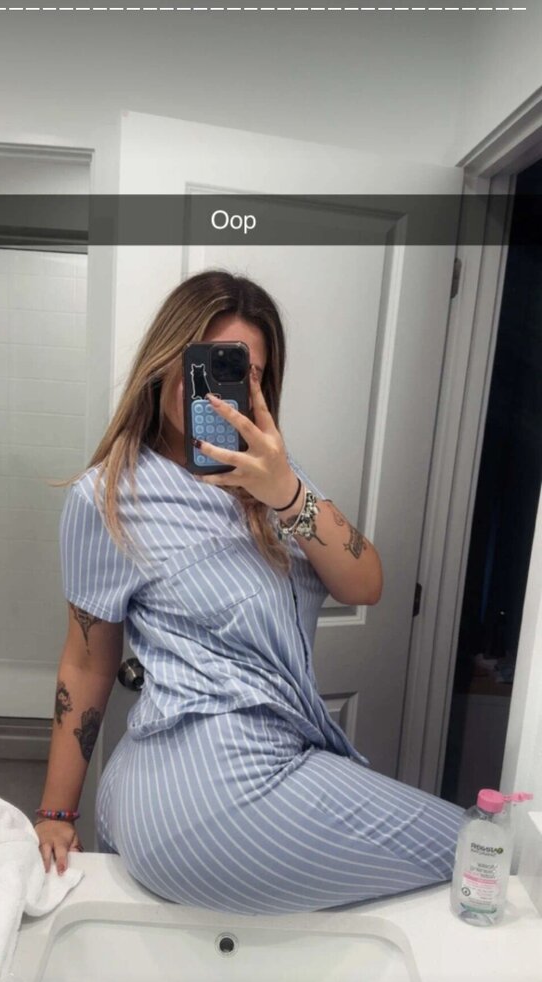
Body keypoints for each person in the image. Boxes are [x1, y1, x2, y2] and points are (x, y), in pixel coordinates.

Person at [35, 269, 464, 916]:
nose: (213, 387)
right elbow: (87, 662)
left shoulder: (278, 481)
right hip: (201, 785)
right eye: (201, 361)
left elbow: (366, 582)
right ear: (166, 359)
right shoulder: (109, 496)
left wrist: (285, 491)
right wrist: (56, 811)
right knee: (478, 853)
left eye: (241, 370)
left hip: (256, 768)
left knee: (475, 860)